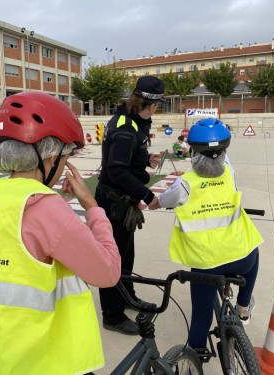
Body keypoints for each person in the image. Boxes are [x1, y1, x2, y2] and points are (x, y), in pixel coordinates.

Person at [0, 92, 121, 375]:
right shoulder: (46, 209)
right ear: (51, 155)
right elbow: (108, 273)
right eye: (67, 155)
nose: (64, 164)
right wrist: (92, 207)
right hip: (26, 361)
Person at [158, 118, 263, 356]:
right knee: (254, 251)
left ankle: (197, 355)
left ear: (193, 151)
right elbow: (220, 159)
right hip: (239, 257)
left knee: (201, 314)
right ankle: (243, 307)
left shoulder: (184, 183)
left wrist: (155, 202)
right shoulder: (230, 173)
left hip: (205, 264)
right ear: (224, 152)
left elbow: (163, 200)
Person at [95, 75, 162, 336]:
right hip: (114, 201)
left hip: (122, 201)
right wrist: (148, 196)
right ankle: (112, 315)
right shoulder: (125, 128)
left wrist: (145, 158)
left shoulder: (132, 121)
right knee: (112, 261)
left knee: (126, 255)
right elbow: (116, 170)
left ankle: (126, 297)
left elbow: (125, 157)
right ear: (151, 104)